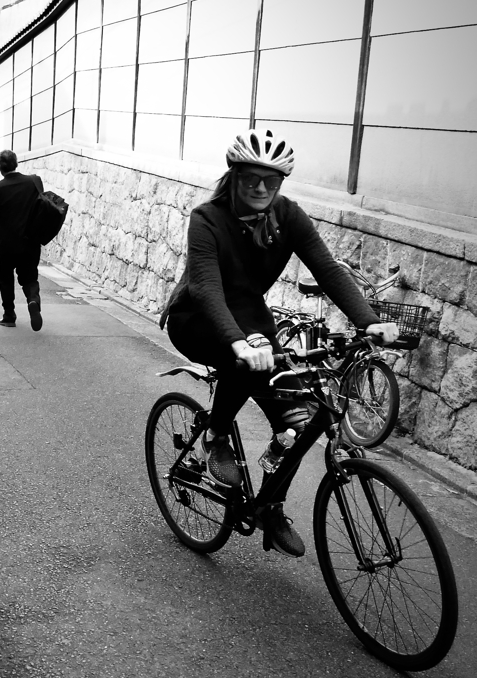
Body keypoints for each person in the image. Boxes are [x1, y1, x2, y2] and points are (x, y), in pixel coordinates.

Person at [159, 129, 400, 557]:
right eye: (251, 176)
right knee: (245, 362)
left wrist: (368, 321)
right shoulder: (207, 218)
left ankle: (270, 507)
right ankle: (216, 435)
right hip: (197, 318)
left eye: (271, 180)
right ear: (233, 176)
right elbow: (207, 288)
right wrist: (237, 342)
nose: (260, 187)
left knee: (300, 420)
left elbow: (327, 269)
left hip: (251, 320)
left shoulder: (288, 216)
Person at [0, 150, 44, 331]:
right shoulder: (34, 181)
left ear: (0, 168)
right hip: (30, 240)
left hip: (7, 243)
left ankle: (9, 315)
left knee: (5, 277)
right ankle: (33, 299)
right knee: (30, 275)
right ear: (16, 163)